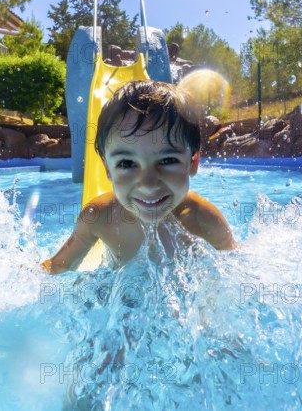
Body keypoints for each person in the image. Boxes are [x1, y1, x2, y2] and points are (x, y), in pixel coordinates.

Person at [41, 80, 236, 274]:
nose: (148, 184)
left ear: (193, 162)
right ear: (108, 168)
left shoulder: (204, 219)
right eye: (127, 164)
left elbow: (235, 266)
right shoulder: (98, 217)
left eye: (167, 160)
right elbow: (59, 266)